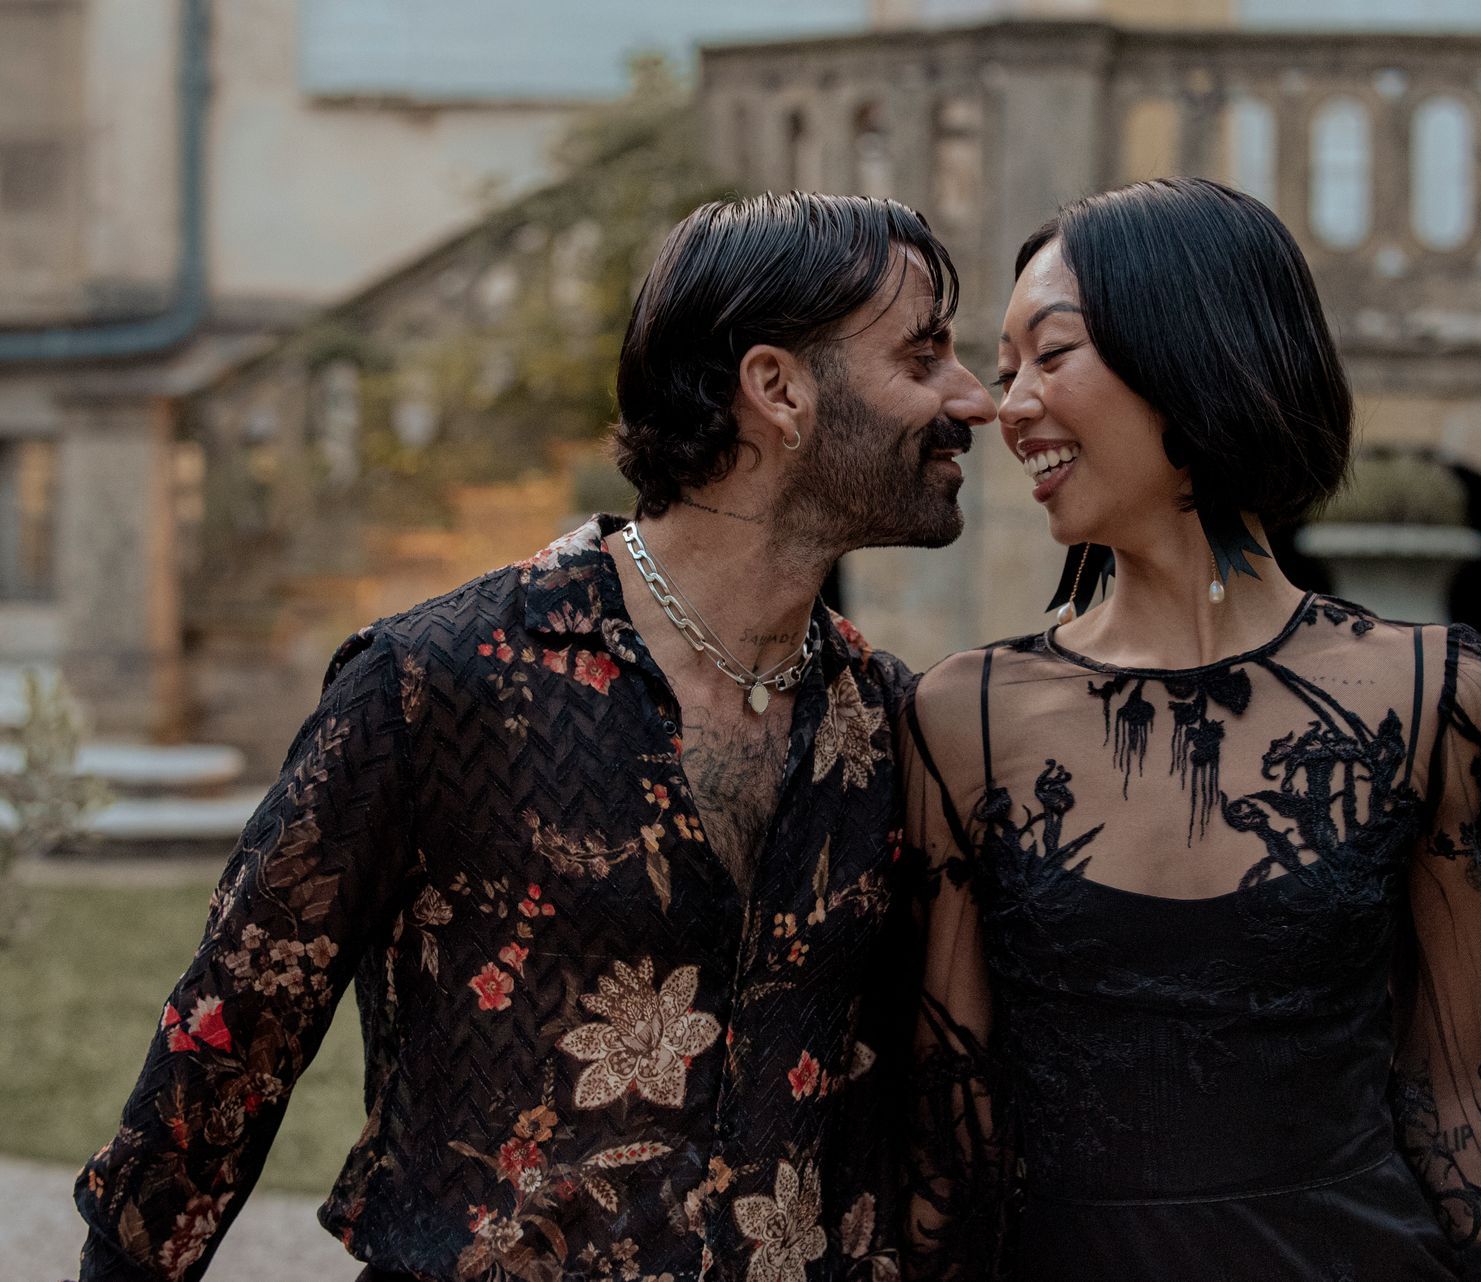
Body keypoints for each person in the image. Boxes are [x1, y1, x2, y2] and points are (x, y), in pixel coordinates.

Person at [74, 191, 995, 1282]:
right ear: (777, 388)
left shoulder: (887, 723)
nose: (972, 398)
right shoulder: (435, 682)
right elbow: (215, 1074)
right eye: (925, 355)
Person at [899, 177, 1481, 1281]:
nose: (1005, 402)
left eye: (1050, 353)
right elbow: (953, 1132)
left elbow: (1460, 1094)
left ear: (1193, 354)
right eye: (1005, 362)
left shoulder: (1433, 696)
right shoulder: (963, 718)